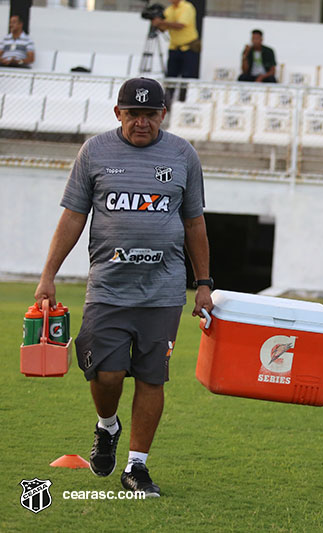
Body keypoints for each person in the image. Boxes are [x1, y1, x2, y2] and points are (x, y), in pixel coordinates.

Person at [34, 77, 213, 498]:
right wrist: (48, 275)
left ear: (163, 115)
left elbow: (194, 223)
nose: (141, 122)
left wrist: (204, 283)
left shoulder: (182, 155)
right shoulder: (94, 152)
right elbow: (73, 216)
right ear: (118, 113)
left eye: (150, 114)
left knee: (152, 378)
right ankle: (107, 425)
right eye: (133, 114)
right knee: (106, 373)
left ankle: (137, 466)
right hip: (108, 289)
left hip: (163, 292)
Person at [151, 0, 200, 100]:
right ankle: (167, 101)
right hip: (174, 48)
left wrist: (161, 22)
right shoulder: (169, 10)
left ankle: (182, 101)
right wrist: (156, 22)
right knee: (171, 77)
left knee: (185, 78)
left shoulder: (187, 7)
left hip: (188, 48)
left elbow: (181, 25)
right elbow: (164, 28)